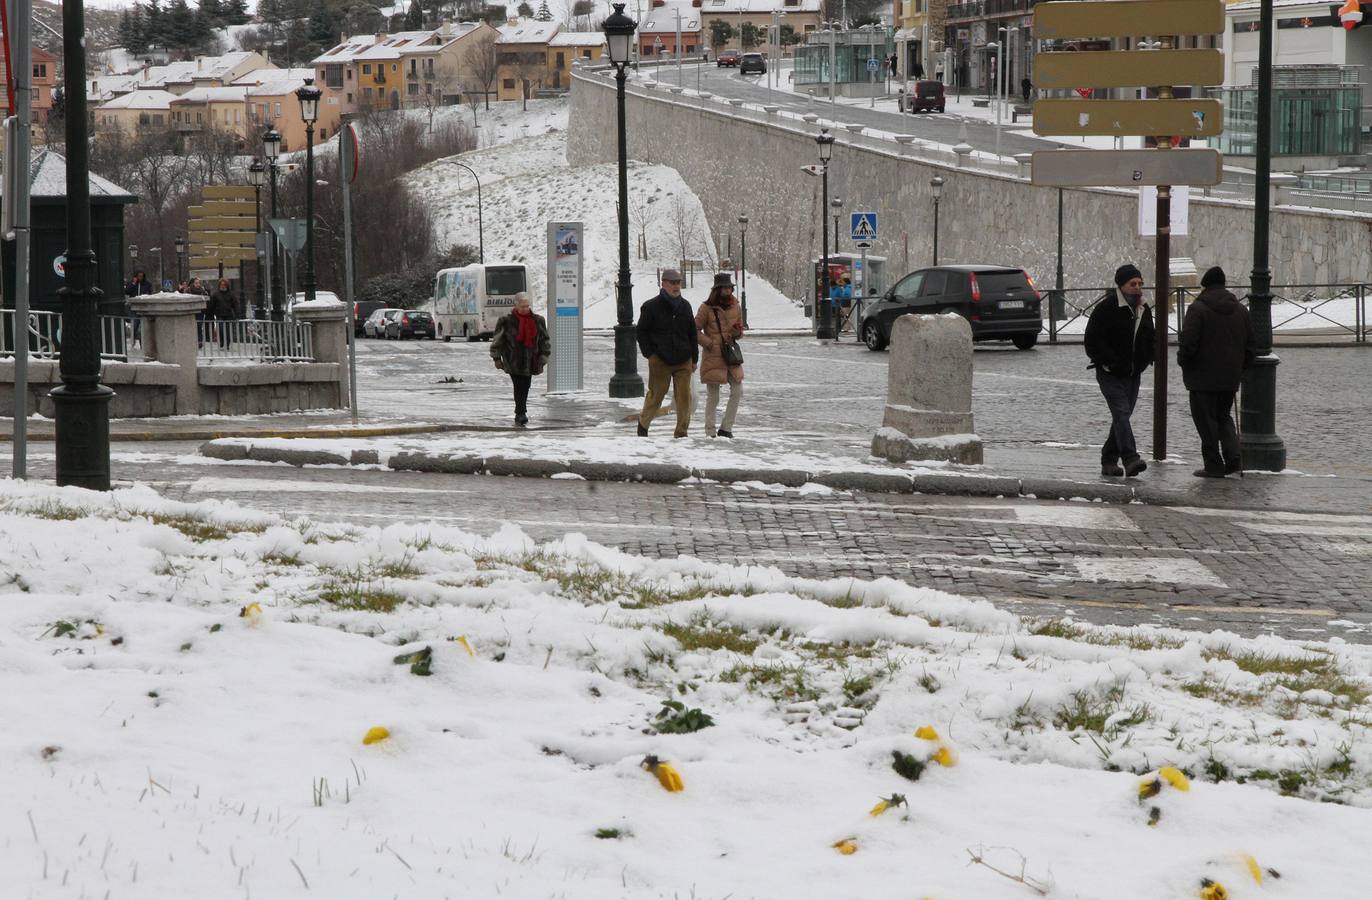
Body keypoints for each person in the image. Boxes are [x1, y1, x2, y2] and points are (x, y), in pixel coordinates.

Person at [1178, 266, 1256, 478]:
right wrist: (1239, 369)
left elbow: (1188, 342)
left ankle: (1213, 464)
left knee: (1206, 421)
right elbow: (1251, 347)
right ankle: (1233, 459)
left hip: (1201, 378)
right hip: (1229, 378)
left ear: (1205, 286)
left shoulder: (1198, 309)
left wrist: (1183, 362)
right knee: (1223, 418)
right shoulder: (1241, 310)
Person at [1084, 263, 1155, 478]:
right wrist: (1108, 361)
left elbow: (1149, 337)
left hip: (1133, 373)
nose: (1137, 287)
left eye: (1140, 283)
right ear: (1121, 285)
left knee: (1122, 417)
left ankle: (1108, 461)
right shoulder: (1107, 308)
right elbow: (1092, 340)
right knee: (1122, 413)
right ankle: (1131, 459)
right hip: (1110, 373)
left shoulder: (1144, 309)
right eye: (1132, 283)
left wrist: (1147, 358)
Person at [636, 269, 698, 438]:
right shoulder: (651, 306)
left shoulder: (685, 306)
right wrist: (650, 354)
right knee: (657, 395)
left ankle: (681, 432)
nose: (676, 286)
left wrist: (694, 358)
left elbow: (692, 333)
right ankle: (643, 424)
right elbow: (641, 331)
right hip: (660, 359)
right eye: (672, 282)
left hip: (683, 358)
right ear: (663, 283)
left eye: (678, 282)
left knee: (684, 396)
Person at [695, 273, 745, 438]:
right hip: (713, 355)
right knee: (713, 395)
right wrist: (708, 343)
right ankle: (710, 430)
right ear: (717, 290)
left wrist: (738, 331)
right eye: (724, 287)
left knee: (737, 390)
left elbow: (738, 333)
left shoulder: (736, 306)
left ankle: (726, 428)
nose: (728, 290)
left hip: (730, 354)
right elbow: (694, 330)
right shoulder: (706, 308)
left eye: (729, 287)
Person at [490, 291, 550, 426]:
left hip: (531, 359)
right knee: (519, 385)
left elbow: (544, 339)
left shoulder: (538, 320)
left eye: (527, 306)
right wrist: (496, 358)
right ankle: (520, 413)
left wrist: (545, 354)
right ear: (516, 306)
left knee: (526, 385)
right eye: (522, 306)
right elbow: (497, 340)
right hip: (513, 360)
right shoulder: (506, 321)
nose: (525, 308)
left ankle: (520, 411)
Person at [208, 278, 239, 348]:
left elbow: (235, 305)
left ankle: (227, 343)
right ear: (219, 285)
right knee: (221, 329)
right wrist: (211, 313)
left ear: (227, 285)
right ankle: (222, 341)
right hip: (219, 314)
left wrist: (236, 314)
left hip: (228, 314)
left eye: (224, 285)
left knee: (227, 330)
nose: (223, 286)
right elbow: (211, 305)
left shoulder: (231, 294)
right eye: (221, 285)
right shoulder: (216, 294)